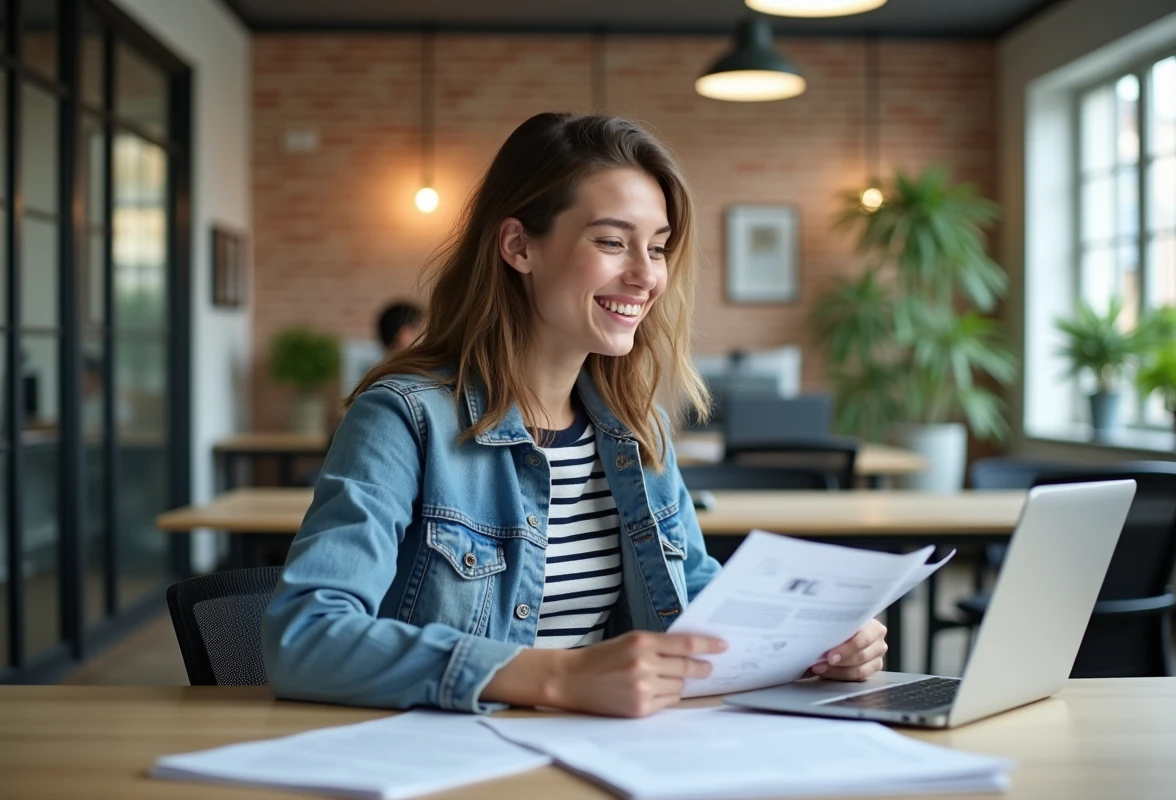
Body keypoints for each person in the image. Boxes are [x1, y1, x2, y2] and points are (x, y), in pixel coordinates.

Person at [262, 112, 887, 718]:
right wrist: (559, 676)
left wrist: (814, 646)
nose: (646, 276)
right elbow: (306, 638)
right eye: (612, 242)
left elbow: (697, 608)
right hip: (459, 760)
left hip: (617, 756)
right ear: (518, 246)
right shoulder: (403, 418)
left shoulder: (638, 427)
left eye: (659, 247)